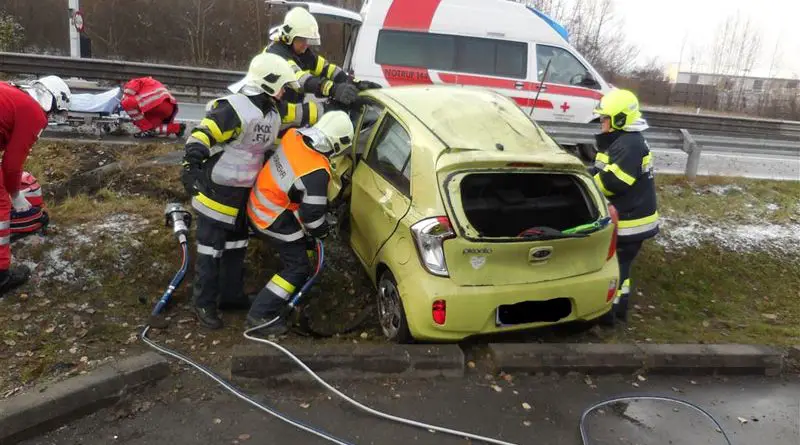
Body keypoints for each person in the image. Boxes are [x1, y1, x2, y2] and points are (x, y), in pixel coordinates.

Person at [181, 53, 300, 330]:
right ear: (269, 83)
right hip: (216, 194)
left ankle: (231, 296)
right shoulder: (233, 109)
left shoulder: (272, 111)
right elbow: (202, 134)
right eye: (282, 86)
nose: (285, 92)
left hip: (242, 195)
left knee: (236, 248)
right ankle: (203, 304)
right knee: (210, 253)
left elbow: (302, 114)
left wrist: (338, 103)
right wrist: (191, 164)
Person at [245, 110, 354, 335]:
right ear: (338, 144)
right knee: (298, 267)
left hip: (259, 202)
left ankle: (270, 299)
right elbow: (312, 218)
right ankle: (261, 313)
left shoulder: (294, 136)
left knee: (299, 249)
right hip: (270, 217)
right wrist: (323, 231)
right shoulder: (316, 172)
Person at [589, 89, 660, 325]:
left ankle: (610, 313)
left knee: (616, 267)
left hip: (631, 222)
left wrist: (587, 186)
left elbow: (614, 183)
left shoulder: (629, 145)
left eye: (605, 118)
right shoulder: (621, 141)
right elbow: (601, 169)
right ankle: (618, 309)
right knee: (622, 267)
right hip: (630, 217)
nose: (601, 122)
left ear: (620, 119)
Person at [0, 75, 71, 296]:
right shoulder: (33, 111)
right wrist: (15, 195)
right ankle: (1, 277)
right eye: (53, 112)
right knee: (1, 207)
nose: (49, 118)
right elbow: (12, 164)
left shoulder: (11, 92)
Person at [263, 7, 360, 127]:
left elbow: (326, 68)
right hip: (272, 115)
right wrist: (332, 89)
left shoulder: (301, 52)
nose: (306, 44)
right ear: (289, 37)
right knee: (320, 112)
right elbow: (298, 79)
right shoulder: (275, 54)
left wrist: (352, 82)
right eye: (302, 39)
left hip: (285, 113)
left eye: (307, 39)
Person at [120, 76, 186, 138]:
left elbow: (128, 96)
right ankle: (178, 128)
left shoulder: (134, 81)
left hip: (156, 104)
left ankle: (146, 129)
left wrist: (121, 106)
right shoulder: (148, 82)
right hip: (167, 108)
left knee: (126, 102)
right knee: (153, 129)